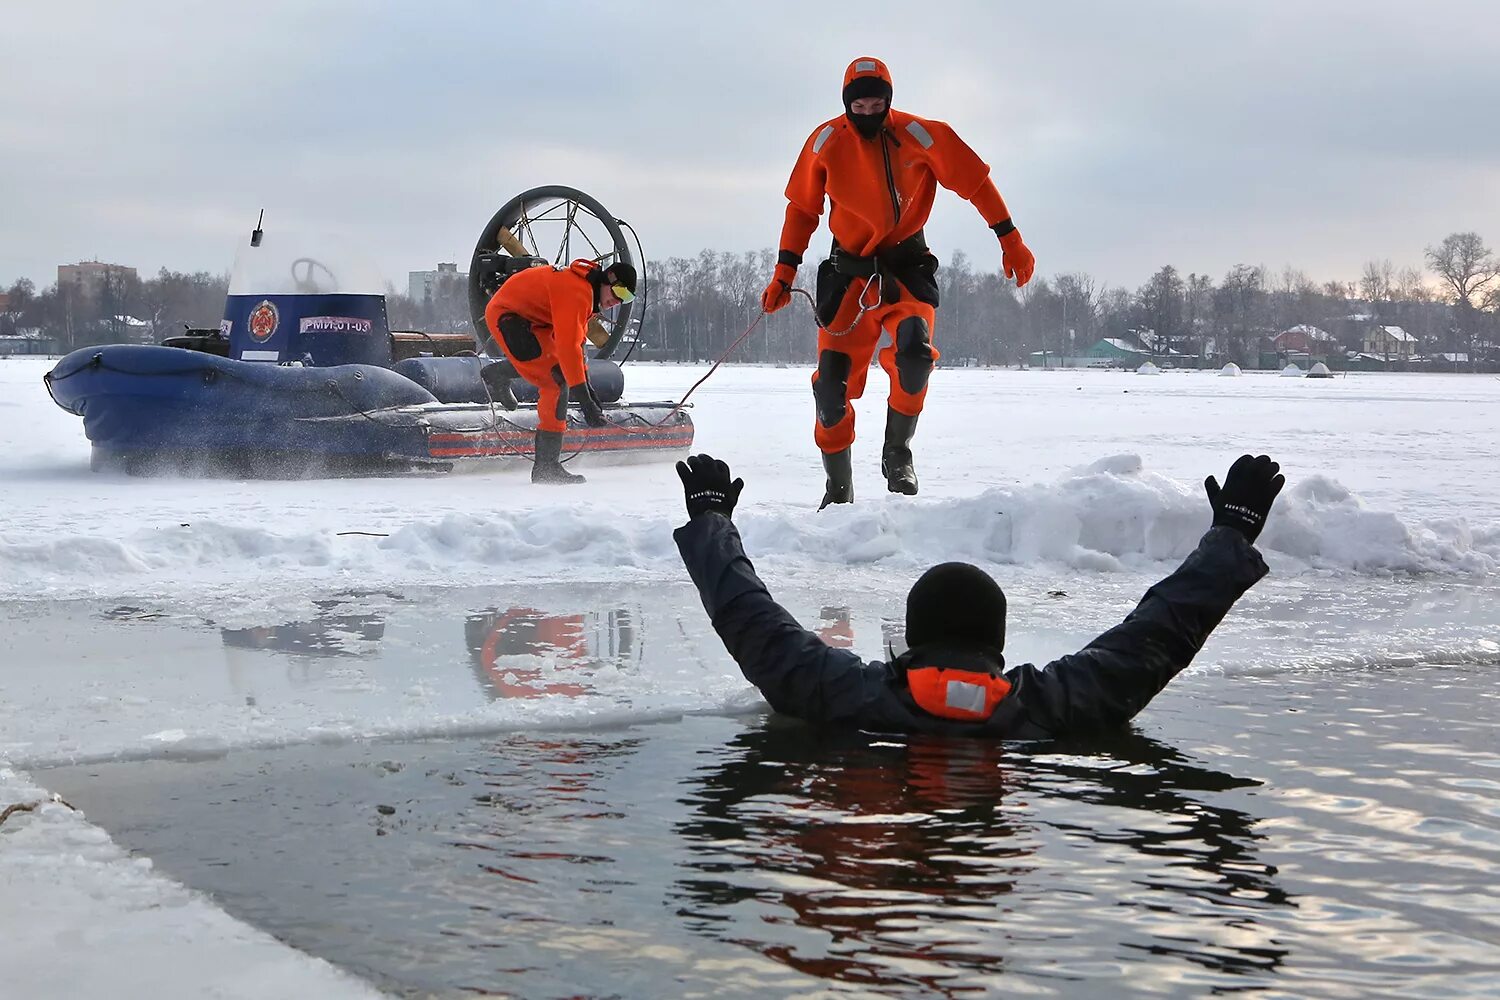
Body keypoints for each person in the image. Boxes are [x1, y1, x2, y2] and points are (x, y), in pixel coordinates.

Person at [673, 453, 1285, 738]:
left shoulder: (846, 694)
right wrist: (1229, 537)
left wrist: (711, 525)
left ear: (911, 638)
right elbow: (1159, 630)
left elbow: (748, 616)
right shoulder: (1053, 707)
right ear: (998, 645)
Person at [760, 57, 1036, 508]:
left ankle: (898, 453)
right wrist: (783, 274)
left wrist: (1010, 237)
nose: (868, 112)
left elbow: (975, 182)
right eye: (859, 104)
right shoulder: (825, 142)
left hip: (907, 268)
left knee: (914, 352)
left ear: (889, 100)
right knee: (830, 388)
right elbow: (802, 210)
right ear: (847, 103)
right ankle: (838, 488)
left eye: (876, 103)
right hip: (848, 274)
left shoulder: (921, 135)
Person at [481, 259, 637, 484]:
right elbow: (567, 348)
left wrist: (588, 389)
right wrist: (584, 400)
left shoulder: (586, 294)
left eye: (627, 298)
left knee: (552, 367)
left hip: (534, 321)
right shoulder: (577, 293)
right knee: (556, 381)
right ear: (607, 279)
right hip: (508, 316)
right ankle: (546, 468)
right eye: (620, 291)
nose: (618, 301)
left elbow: (578, 345)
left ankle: (498, 373)